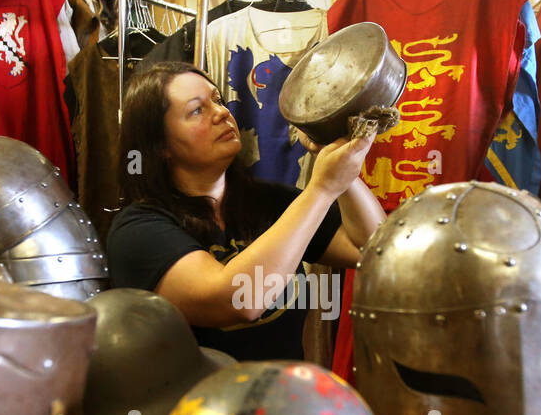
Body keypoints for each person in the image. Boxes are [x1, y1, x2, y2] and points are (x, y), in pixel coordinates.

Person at [106, 61, 386, 361]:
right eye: (197, 110)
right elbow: (239, 300)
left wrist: (341, 165)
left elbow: (374, 249)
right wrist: (323, 189)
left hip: (284, 401)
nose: (223, 113)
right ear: (160, 145)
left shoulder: (266, 201)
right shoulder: (139, 231)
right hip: (200, 406)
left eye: (217, 100)